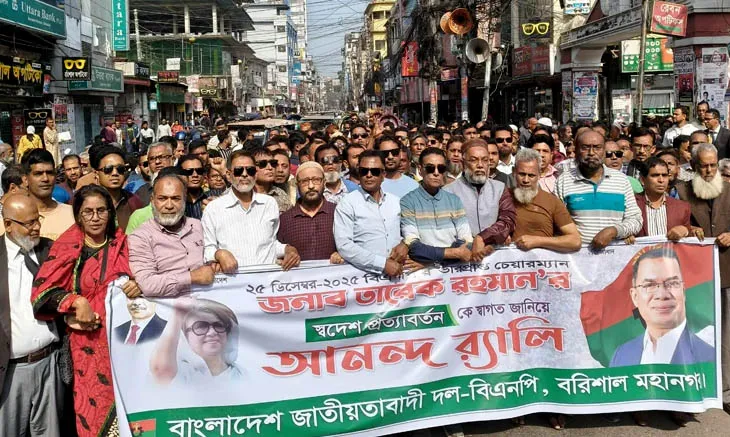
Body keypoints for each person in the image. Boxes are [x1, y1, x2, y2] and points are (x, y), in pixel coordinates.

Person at [31, 185, 141, 437]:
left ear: (110, 213)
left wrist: (138, 284)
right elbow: (41, 295)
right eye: (88, 212)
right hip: (87, 349)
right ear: (78, 215)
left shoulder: (123, 244)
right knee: (93, 415)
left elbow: (146, 279)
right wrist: (76, 302)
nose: (95, 217)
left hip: (126, 345)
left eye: (101, 210)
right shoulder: (68, 246)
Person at [0, 194, 66, 437]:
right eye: (29, 223)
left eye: (37, 220)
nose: (36, 227)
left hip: (50, 364)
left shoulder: (51, 250)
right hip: (10, 371)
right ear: (8, 224)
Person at [675, 143, 730, 410]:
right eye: (703, 166)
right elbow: (673, 223)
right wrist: (686, 229)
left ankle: (726, 390)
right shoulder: (681, 191)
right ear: (693, 166)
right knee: (693, 330)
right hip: (693, 274)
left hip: (726, 271)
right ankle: (693, 385)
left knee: (726, 333)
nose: (708, 170)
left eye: (712, 165)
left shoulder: (729, 189)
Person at [610, 246, 714, 367]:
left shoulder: (710, 357)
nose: (662, 295)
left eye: (672, 283)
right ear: (635, 296)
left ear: (683, 291)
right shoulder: (621, 355)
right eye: (649, 285)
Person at [201, 150, 300, 272]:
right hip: (233, 279)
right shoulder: (214, 208)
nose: (245, 175)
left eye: (250, 170)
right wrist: (219, 254)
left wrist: (288, 249)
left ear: (255, 174)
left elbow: (270, 244)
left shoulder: (269, 204)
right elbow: (208, 248)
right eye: (238, 171)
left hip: (267, 278)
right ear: (229, 174)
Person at [129, 171, 215, 297]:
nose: (169, 205)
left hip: (208, 301)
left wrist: (219, 255)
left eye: (175, 199)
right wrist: (192, 277)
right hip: (168, 307)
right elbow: (147, 284)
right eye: (162, 199)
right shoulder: (141, 236)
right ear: (152, 200)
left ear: (184, 200)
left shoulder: (198, 226)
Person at [555, 130, 642, 249]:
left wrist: (615, 231)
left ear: (604, 151)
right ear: (576, 150)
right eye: (585, 148)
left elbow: (636, 219)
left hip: (615, 255)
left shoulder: (621, 180)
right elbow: (556, 221)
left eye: (597, 147)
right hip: (576, 256)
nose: (591, 153)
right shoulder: (564, 181)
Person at [334, 150, 408, 275]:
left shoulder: (396, 202)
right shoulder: (347, 204)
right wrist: (382, 264)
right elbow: (344, 245)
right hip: (364, 277)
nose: (369, 175)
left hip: (399, 276)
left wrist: (405, 244)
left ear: (383, 174)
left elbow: (410, 229)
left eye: (375, 171)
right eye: (364, 171)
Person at [400, 147, 474, 264]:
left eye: (441, 168)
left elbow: (466, 240)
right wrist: (454, 253)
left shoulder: (454, 200)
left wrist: (434, 261)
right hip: (425, 272)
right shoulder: (407, 201)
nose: (436, 173)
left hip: (451, 269)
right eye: (430, 168)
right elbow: (413, 246)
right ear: (420, 169)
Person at [444, 139, 516, 250]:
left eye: (485, 160)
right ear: (463, 164)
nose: (480, 165)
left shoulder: (499, 188)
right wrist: (471, 246)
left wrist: (483, 238)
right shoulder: (448, 192)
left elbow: (508, 220)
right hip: (462, 254)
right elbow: (445, 230)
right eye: (474, 160)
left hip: (494, 252)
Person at [150, 297, 242, 385]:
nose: (212, 332)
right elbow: (161, 371)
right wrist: (178, 314)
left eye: (218, 325)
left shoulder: (241, 375)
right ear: (185, 336)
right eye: (201, 326)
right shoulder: (181, 372)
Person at [508, 149, 581, 252]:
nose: (526, 180)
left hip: (543, 261)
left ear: (539, 175)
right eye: (522, 174)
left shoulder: (552, 202)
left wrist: (538, 241)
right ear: (513, 172)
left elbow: (575, 241)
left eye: (531, 175)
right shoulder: (503, 197)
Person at [0, 150, 75, 240]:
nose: (45, 178)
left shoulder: (73, 215)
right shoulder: (12, 219)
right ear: (25, 180)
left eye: (49, 173)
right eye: (38, 174)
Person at [278, 162, 342, 263]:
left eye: (316, 180)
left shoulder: (338, 213)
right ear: (297, 185)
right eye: (304, 181)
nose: (311, 186)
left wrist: (343, 254)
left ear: (324, 183)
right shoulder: (285, 220)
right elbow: (277, 252)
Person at [631, 158, 692, 240]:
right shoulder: (631, 204)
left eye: (664, 175)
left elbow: (690, 240)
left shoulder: (682, 207)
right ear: (642, 180)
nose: (661, 180)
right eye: (655, 175)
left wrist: (685, 230)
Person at [92, 146, 143, 231]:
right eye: (108, 169)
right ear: (96, 174)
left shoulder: (134, 201)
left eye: (120, 169)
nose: (115, 173)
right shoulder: (88, 202)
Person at [251, 148, 292, 212]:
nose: (270, 168)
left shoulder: (281, 195)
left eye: (273, 163)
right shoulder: (243, 194)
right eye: (263, 164)